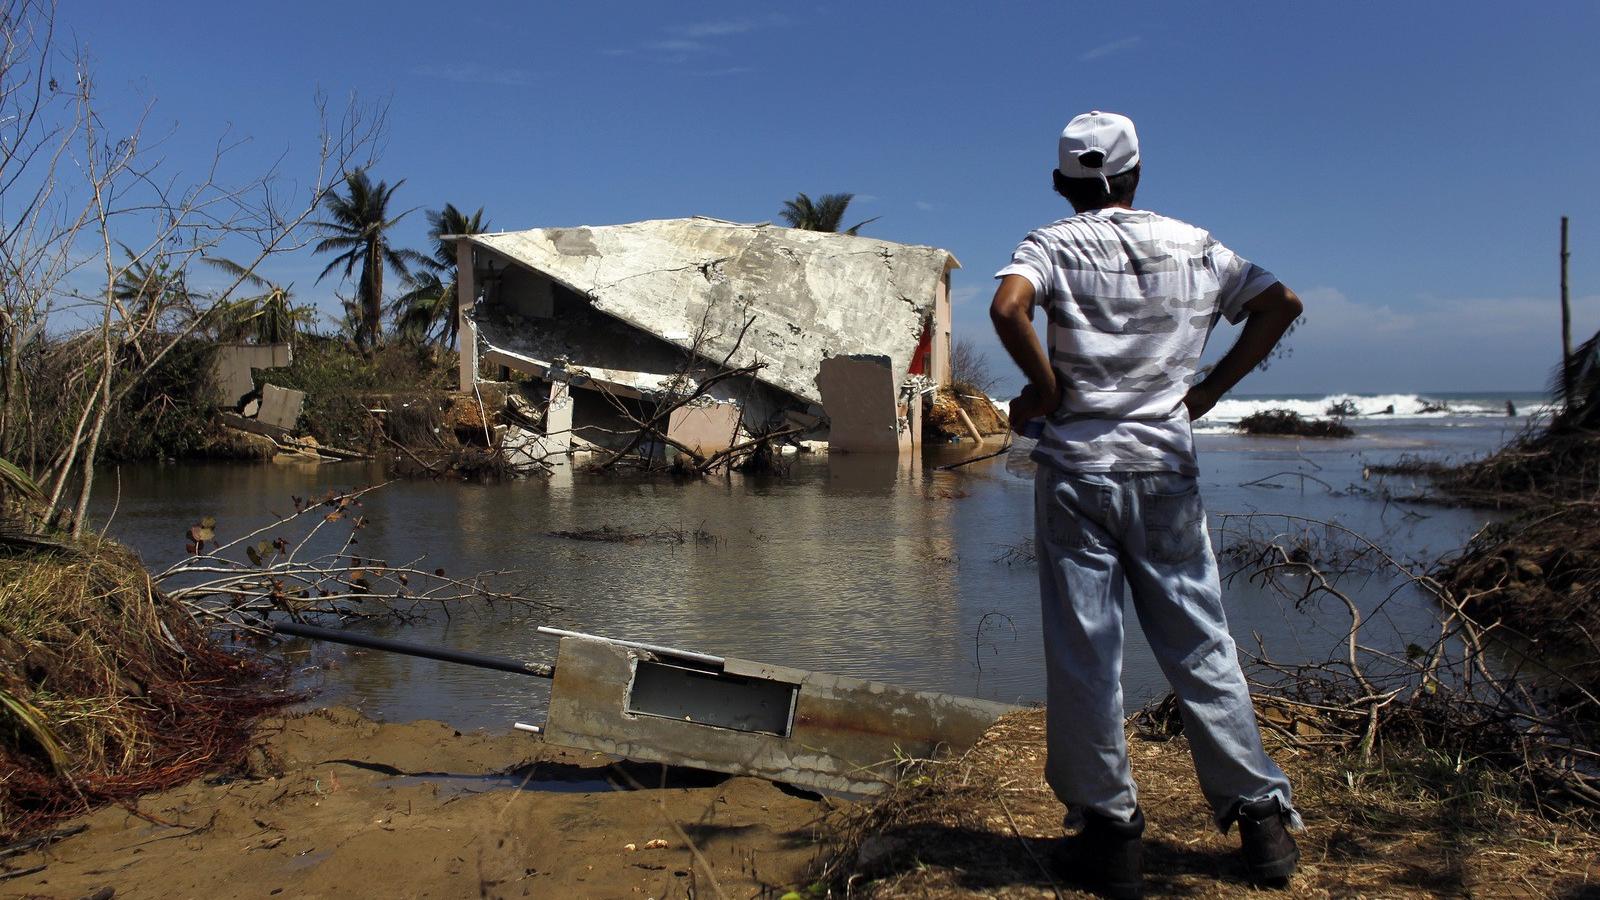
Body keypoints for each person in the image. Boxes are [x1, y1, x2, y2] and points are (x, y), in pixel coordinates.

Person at [989, 111, 1304, 899]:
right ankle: (1260, 821)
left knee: (1087, 654)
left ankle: (1110, 834)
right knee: (1200, 641)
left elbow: (1007, 309)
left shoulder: (1051, 244)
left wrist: (1049, 390)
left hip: (1077, 472)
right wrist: (1204, 394)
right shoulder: (1196, 244)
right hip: (1164, 471)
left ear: (1064, 184)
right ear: (1135, 178)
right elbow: (1281, 302)